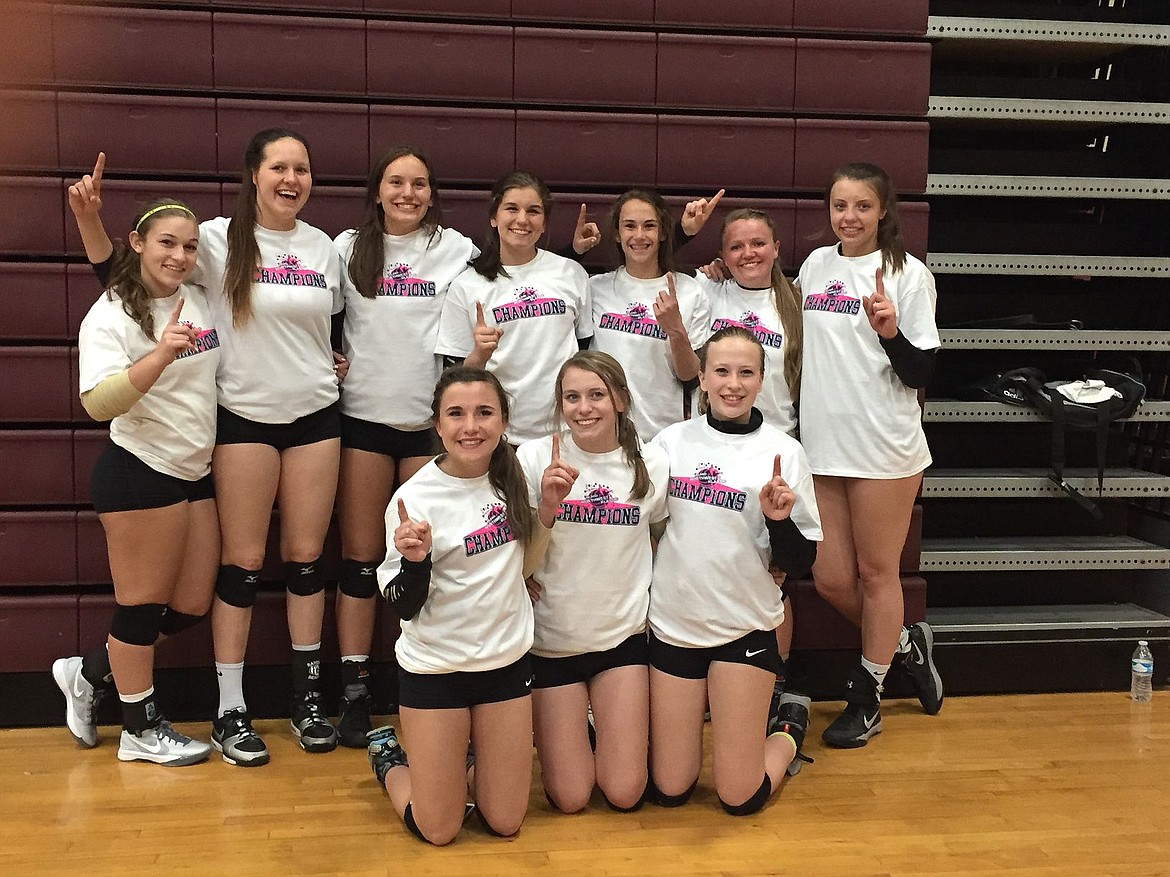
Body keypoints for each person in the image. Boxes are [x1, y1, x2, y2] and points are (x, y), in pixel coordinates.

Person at [53, 172, 220, 766]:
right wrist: (161, 355)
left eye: (189, 245)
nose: (179, 255)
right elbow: (98, 403)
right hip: (138, 469)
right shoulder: (109, 314)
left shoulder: (194, 294)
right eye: (166, 243)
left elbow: (111, 262)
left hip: (192, 470)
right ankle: (138, 727)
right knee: (142, 606)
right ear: (138, 243)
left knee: (194, 604)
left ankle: (89, 671)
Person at [366, 367, 553, 845]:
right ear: (438, 424)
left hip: (505, 665)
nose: (471, 426)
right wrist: (416, 562)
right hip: (436, 671)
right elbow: (403, 607)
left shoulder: (516, 478)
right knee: (441, 829)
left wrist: (535, 546)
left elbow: (527, 555)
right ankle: (390, 761)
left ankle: (462, 765)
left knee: (506, 821)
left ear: (504, 421)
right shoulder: (414, 499)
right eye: (456, 414)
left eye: (484, 413)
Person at [330, 146, 477, 746]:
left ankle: (430, 677)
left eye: (419, 184)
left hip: (426, 428)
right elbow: (320, 321)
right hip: (363, 422)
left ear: (432, 192)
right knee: (362, 561)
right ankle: (355, 688)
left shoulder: (457, 248)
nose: (408, 194)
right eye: (397, 182)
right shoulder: (346, 249)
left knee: (427, 559)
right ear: (378, 190)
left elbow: (526, 276)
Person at [797, 162, 944, 748]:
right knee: (831, 578)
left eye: (861, 206)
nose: (849, 217)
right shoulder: (814, 267)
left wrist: (889, 332)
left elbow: (921, 371)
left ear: (883, 211)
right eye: (839, 205)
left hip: (884, 448)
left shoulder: (908, 275)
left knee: (877, 573)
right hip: (823, 447)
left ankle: (868, 697)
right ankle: (905, 643)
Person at [648, 327, 822, 815]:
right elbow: (641, 525)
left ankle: (787, 728)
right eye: (721, 371)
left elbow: (800, 562)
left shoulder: (784, 453)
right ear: (701, 377)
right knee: (670, 789)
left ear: (763, 380)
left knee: (738, 796)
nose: (733, 383)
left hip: (744, 629)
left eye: (746, 372)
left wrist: (779, 522)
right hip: (674, 629)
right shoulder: (669, 443)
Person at [515, 351, 669, 813]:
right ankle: (577, 731)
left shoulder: (652, 464)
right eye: (572, 397)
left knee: (624, 793)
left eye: (597, 395)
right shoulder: (535, 457)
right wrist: (546, 507)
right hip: (552, 644)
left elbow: (668, 537)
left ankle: (600, 724)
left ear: (621, 399)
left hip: (620, 642)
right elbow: (514, 556)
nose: (584, 408)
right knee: (570, 798)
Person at [693, 208, 808, 743]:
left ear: (777, 247)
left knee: (774, 579)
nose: (747, 254)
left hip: (773, 450)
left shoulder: (799, 302)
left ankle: (775, 686)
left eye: (758, 243)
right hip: (713, 448)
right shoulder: (709, 292)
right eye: (735, 246)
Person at [435, 171, 592, 445]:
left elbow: (585, 352)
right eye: (512, 209)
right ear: (494, 218)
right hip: (498, 436)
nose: (522, 219)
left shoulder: (571, 273)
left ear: (544, 223)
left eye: (533, 211)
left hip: (566, 432)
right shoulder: (467, 285)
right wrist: (480, 354)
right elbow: (456, 378)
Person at [589, 190, 709, 441]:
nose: (639, 235)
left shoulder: (690, 291)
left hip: (662, 435)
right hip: (603, 432)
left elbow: (691, 376)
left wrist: (676, 331)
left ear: (663, 232)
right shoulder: (595, 288)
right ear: (617, 234)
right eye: (629, 226)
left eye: (649, 226)